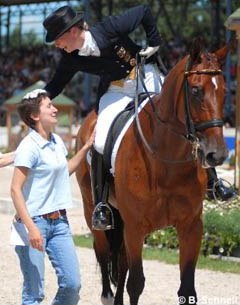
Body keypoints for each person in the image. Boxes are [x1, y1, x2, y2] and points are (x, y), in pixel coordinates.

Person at [42, 5, 236, 230]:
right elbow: (56, 84)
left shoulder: (109, 28)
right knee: (101, 140)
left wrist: (154, 42)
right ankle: (102, 205)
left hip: (147, 75)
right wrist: (38, 97)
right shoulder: (69, 58)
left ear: (72, 32)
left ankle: (213, 182)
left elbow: (144, 11)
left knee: (184, 115)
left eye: (57, 39)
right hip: (115, 91)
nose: (57, 44)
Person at [11, 89, 94, 305]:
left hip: (60, 223)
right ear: (35, 116)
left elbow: (63, 171)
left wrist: (85, 147)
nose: (55, 109)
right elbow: (15, 190)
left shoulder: (56, 140)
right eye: (49, 106)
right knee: (34, 293)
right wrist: (32, 228)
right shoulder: (29, 146)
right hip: (32, 223)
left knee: (72, 285)